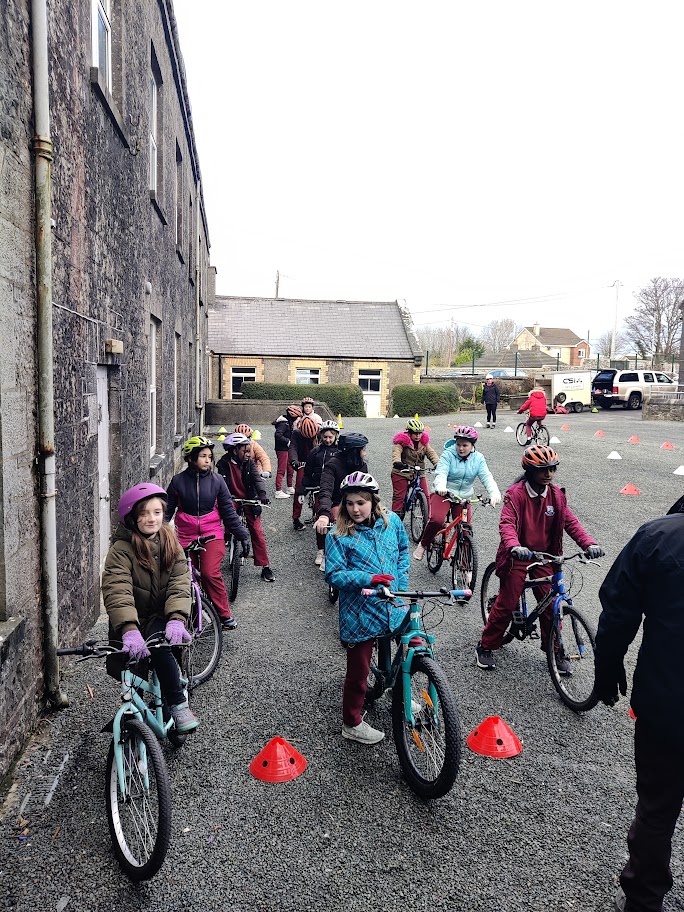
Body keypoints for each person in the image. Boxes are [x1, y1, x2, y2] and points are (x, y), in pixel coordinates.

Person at [594, 497, 684, 912]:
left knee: (657, 808)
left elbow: (618, 609)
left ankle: (643, 900)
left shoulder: (658, 535)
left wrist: (607, 665)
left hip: (667, 703)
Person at [475, 444, 603, 670]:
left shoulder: (556, 495)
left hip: (545, 556)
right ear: (530, 470)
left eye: (552, 469)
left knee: (551, 604)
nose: (549, 474)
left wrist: (589, 543)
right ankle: (485, 646)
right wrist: (514, 546)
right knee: (507, 603)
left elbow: (570, 522)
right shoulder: (516, 494)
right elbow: (507, 524)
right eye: (543, 469)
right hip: (517, 555)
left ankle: (555, 650)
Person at [102, 483, 198, 734]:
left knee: (161, 648)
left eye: (157, 512)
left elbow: (179, 582)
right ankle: (139, 724)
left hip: (162, 617)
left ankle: (178, 703)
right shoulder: (121, 550)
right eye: (144, 513)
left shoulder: (170, 541)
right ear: (132, 518)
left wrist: (176, 617)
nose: (151, 519)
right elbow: (117, 590)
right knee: (133, 677)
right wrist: (128, 628)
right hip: (132, 622)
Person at [324, 472, 410, 745]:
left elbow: (403, 551)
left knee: (410, 648)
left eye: (361, 502)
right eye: (349, 503)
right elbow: (334, 575)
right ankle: (351, 722)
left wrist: (400, 584)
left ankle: (402, 692)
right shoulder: (338, 534)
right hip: (359, 610)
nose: (355, 509)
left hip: (392, 602)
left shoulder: (392, 522)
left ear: (374, 501)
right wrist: (368, 579)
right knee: (359, 671)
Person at [165, 436, 250, 630]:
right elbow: (167, 510)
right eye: (203, 456)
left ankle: (224, 615)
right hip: (185, 536)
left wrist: (242, 534)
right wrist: (157, 533)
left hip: (212, 534)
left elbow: (228, 511)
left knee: (210, 573)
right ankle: (192, 614)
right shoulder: (178, 481)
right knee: (185, 577)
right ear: (191, 458)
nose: (207, 460)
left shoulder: (217, 481)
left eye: (209, 457)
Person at [412, 426, 501, 561]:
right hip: (444, 493)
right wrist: (441, 486)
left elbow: (486, 477)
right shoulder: (448, 454)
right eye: (458, 444)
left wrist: (494, 493)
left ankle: (465, 564)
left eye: (465, 445)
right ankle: (423, 544)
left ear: (472, 445)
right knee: (437, 520)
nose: (460, 448)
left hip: (463, 497)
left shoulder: (478, 459)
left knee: (466, 530)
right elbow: (441, 472)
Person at [216, 432, 275, 582]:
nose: (249, 454)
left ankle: (265, 566)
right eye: (245, 451)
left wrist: (262, 494)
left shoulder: (249, 463)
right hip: (230, 498)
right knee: (219, 520)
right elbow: (221, 484)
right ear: (234, 451)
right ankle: (219, 551)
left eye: (249, 451)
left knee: (257, 531)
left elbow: (256, 479)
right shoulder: (223, 464)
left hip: (249, 498)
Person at [297, 420, 341, 570]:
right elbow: (307, 473)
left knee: (336, 519)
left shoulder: (340, 452)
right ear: (321, 436)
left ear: (336, 436)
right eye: (325, 437)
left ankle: (333, 550)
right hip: (318, 489)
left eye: (331, 437)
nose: (328, 440)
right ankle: (321, 549)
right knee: (320, 518)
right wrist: (302, 490)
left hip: (335, 490)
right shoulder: (315, 452)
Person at [313, 432, 369, 537]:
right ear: (354, 452)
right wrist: (324, 515)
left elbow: (367, 491)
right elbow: (325, 490)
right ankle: (323, 545)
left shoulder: (362, 465)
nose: (365, 453)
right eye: (363, 450)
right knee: (332, 521)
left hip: (355, 501)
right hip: (337, 502)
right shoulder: (331, 466)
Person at [390, 417, 439, 515]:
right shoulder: (402, 441)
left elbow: (431, 453)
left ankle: (427, 518)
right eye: (415, 433)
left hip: (418, 471)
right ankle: (395, 518)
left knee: (426, 495)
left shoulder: (424, 443)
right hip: (402, 471)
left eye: (420, 433)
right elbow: (396, 452)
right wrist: (397, 462)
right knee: (399, 497)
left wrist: (438, 464)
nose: (418, 435)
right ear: (409, 433)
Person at [289, 415, 321, 531]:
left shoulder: (320, 432)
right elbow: (293, 448)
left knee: (322, 489)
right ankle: (296, 518)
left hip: (317, 463)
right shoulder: (296, 433)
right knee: (299, 489)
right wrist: (294, 461)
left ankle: (321, 515)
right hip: (303, 463)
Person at [273, 405, 301, 498]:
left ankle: (289, 487)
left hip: (288, 449)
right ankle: (278, 491)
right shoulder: (283, 423)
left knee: (290, 469)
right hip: (282, 449)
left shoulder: (289, 423)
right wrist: (288, 441)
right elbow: (278, 435)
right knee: (281, 469)